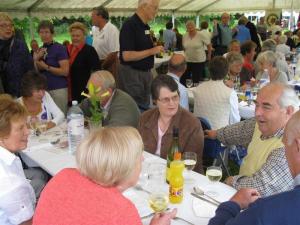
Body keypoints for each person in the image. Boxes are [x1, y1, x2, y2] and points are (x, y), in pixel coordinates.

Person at [33, 126, 177, 225]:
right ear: (123, 166)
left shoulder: (63, 176)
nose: (142, 159)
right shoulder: (121, 211)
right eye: (139, 155)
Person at [208, 110, 300, 225]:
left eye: (285, 145)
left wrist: (233, 204)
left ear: (298, 146)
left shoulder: (265, 211)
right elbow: (238, 131)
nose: (258, 112)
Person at [206, 83, 299, 197]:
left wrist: (232, 181)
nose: (257, 112)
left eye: (266, 107)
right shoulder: (263, 124)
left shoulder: (291, 144)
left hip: (261, 208)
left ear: (288, 111)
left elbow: (262, 188)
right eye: (257, 105)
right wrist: (215, 134)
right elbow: (238, 131)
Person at [138, 75, 204, 172]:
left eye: (175, 97)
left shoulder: (191, 124)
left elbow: (191, 165)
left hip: (179, 176)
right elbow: (138, 151)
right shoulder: (145, 118)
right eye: (165, 99)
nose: (172, 103)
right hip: (148, 173)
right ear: (155, 101)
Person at [118, 0, 164, 110]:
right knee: (135, 109)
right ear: (144, 6)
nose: (157, 11)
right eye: (155, 7)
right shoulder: (130, 25)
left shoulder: (145, 26)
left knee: (144, 107)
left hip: (144, 74)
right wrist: (151, 51)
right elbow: (126, 56)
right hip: (133, 75)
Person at [0, 95, 37, 225]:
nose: (28, 132)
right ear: (2, 135)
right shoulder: (9, 182)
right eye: (20, 128)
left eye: (26, 126)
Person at [193, 56, 240, 129]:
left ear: (209, 70)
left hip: (199, 134)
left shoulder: (198, 88)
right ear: (227, 71)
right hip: (219, 137)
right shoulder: (230, 93)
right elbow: (235, 121)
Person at [34, 20, 69, 115]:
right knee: (48, 118)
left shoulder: (60, 48)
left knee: (60, 117)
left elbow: (65, 71)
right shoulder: (40, 49)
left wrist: (46, 67)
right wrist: (36, 59)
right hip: (44, 90)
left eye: (46, 32)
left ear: (52, 33)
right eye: (41, 32)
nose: (44, 35)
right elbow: (37, 71)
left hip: (58, 89)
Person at [0, 13, 33, 97]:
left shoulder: (20, 45)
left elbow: (30, 69)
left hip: (19, 94)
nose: (8, 28)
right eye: (3, 25)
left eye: (10, 25)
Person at [67, 22, 101, 103]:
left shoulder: (89, 50)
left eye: (78, 36)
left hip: (84, 90)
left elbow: (96, 71)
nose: (75, 38)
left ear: (84, 36)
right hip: (70, 89)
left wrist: (91, 90)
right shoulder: (67, 49)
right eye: (73, 35)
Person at [91, 6, 119, 78]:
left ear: (100, 16)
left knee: (109, 87)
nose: (91, 19)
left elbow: (114, 53)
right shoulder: (94, 29)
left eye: (93, 16)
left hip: (110, 64)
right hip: (97, 63)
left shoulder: (112, 29)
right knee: (99, 88)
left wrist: (102, 67)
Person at [181, 20, 211, 84]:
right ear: (186, 27)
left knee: (196, 80)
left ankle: (194, 93)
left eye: (191, 25)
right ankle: (186, 92)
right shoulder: (184, 36)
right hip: (187, 60)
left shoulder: (201, 34)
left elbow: (209, 45)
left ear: (195, 26)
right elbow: (184, 47)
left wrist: (209, 54)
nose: (190, 27)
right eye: (188, 26)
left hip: (199, 61)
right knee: (185, 79)